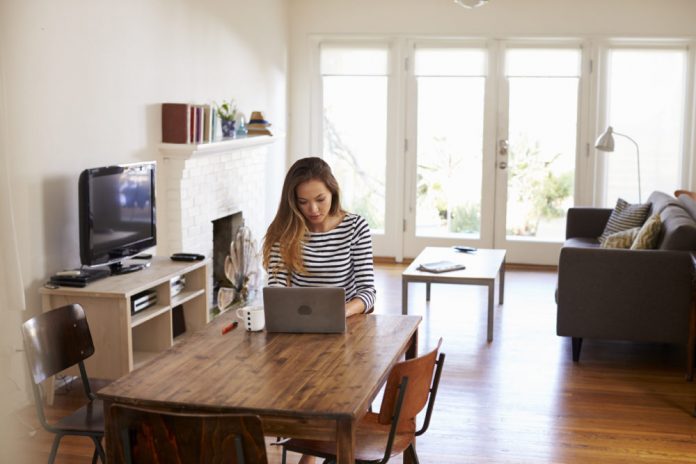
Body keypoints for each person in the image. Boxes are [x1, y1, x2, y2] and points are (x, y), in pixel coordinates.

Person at [263, 156, 376, 317]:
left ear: (332, 192)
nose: (313, 209)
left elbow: (368, 291)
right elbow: (276, 289)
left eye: (320, 199)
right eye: (303, 202)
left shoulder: (356, 227)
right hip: (299, 319)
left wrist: (341, 312)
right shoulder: (284, 231)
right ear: (293, 201)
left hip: (345, 321)